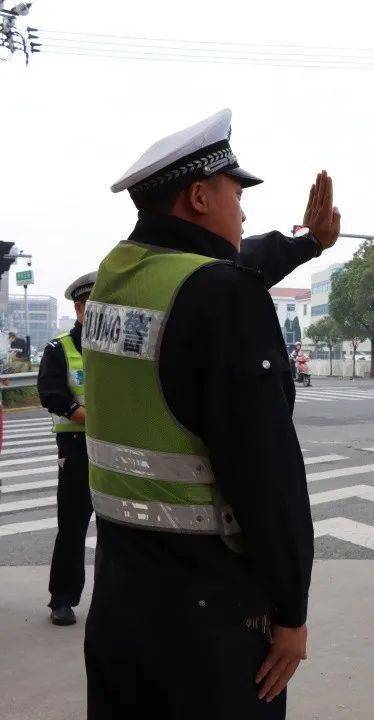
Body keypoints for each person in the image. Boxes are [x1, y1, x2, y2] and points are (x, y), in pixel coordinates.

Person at [82, 108, 340, 719]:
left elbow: (225, 264)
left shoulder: (117, 280)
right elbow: (268, 477)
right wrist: (292, 612)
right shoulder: (225, 299)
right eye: (235, 193)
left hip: (123, 598)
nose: (244, 212)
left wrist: (308, 241)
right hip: (210, 614)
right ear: (199, 197)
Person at [35, 271, 96, 626]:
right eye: (88, 306)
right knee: (72, 524)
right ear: (77, 309)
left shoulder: (121, 346)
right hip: (76, 447)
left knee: (123, 528)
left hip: (117, 447)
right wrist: (85, 415)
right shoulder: (60, 348)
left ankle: (117, 600)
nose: (94, 312)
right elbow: (51, 393)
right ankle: (62, 598)